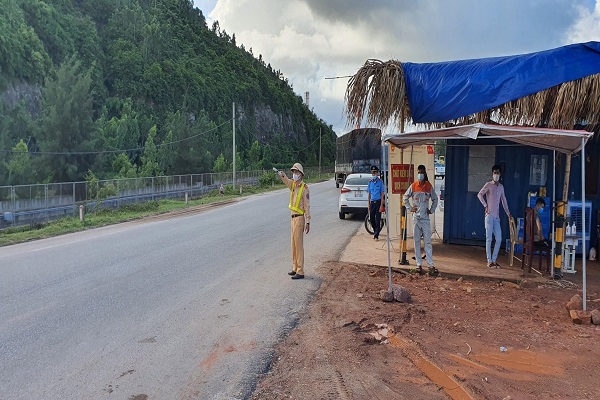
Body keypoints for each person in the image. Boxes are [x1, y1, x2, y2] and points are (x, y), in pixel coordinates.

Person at [277, 163, 311, 280]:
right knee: (293, 245)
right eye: (293, 172)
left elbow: (307, 206)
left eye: (296, 172)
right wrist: (282, 175)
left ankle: (300, 271)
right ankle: (295, 268)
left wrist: (308, 221)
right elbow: (286, 181)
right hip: (292, 218)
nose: (294, 174)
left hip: (300, 218)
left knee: (299, 246)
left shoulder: (304, 188)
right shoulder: (293, 185)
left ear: (301, 174)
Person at [403, 165, 438, 274]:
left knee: (427, 242)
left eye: (422, 172)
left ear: (425, 173)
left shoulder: (428, 186)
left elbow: (435, 199)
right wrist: (410, 208)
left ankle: (430, 264)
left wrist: (431, 210)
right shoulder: (413, 186)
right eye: (419, 172)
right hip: (416, 219)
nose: (420, 174)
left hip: (425, 219)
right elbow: (405, 197)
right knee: (416, 241)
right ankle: (418, 264)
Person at [477, 164, 512, 268]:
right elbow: (480, 194)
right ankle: (489, 261)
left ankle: (494, 259)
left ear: (500, 174)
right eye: (494, 173)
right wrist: (485, 205)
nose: (496, 175)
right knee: (489, 238)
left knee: (499, 239)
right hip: (489, 215)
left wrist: (508, 213)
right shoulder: (488, 184)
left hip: (496, 217)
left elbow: (504, 201)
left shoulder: (501, 187)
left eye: (497, 173)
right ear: (492, 174)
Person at [367, 165, 386, 240]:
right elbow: (369, 194)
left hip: (378, 202)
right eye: (373, 173)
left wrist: (381, 205)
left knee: (378, 219)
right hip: (372, 202)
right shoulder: (370, 182)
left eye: (375, 173)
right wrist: (368, 204)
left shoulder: (380, 182)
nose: (374, 174)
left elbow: (382, 194)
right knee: (371, 219)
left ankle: (376, 235)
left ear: (377, 173)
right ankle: (375, 230)